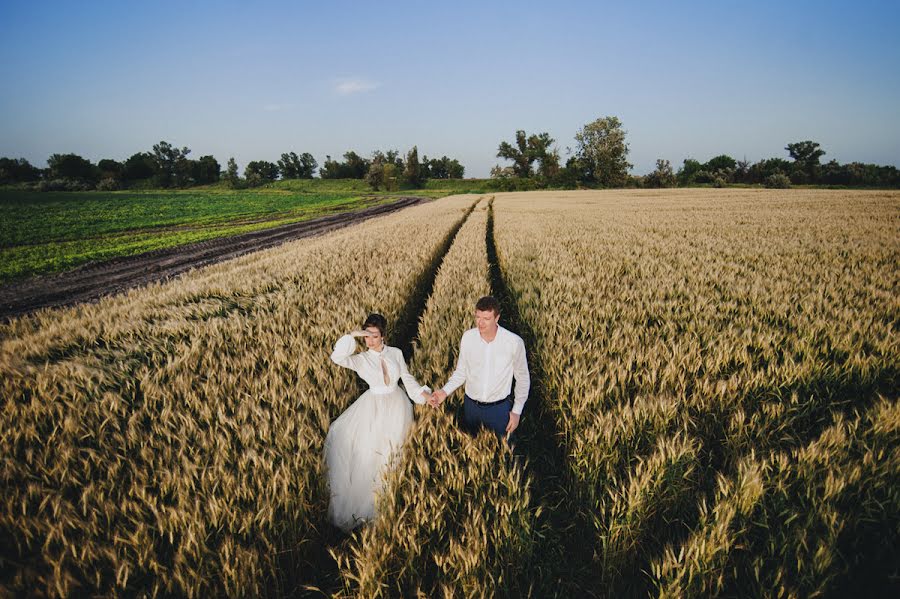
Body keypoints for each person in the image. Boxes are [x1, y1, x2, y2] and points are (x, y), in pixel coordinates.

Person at [324, 313, 432, 532]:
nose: (369, 340)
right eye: (366, 336)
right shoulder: (361, 359)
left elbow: (407, 378)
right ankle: (368, 510)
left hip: (397, 406)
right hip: (372, 408)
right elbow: (337, 358)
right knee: (371, 454)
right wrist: (351, 336)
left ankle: (391, 504)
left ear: (384, 335)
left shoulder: (396, 353)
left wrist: (423, 396)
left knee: (393, 455)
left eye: (374, 336)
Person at [430, 296, 530, 445]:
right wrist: (445, 391)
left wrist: (516, 411)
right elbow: (461, 372)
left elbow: (523, 378)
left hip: (499, 410)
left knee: (502, 454)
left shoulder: (513, 342)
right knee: (472, 450)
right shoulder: (468, 337)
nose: (480, 323)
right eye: (478, 317)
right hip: (471, 408)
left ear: (497, 318)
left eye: (486, 318)